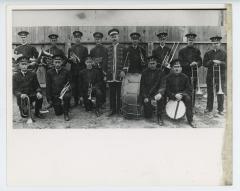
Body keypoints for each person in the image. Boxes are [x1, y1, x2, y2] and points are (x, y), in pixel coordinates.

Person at [165, 59, 196, 128]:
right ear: (172, 68)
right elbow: (166, 90)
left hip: (182, 95)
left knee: (188, 98)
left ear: (181, 68)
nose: (177, 68)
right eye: (175, 67)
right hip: (172, 95)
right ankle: (162, 115)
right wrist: (173, 95)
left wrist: (182, 95)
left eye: (178, 67)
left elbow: (189, 89)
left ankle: (190, 120)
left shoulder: (185, 77)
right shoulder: (168, 77)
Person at [13, 56, 44, 120]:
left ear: (28, 65)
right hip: (22, 97)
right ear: (19, 65)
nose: (24, 66)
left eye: (26, 64)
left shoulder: (32, 74)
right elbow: (14, 89)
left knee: (40, 97)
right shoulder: (15, 76)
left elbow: (37, 86)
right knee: (24, 115)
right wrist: (20, 94)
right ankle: (25, 109)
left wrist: (38, 92)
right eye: (22, 64)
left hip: (31, 94)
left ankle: (37, 112)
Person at [203, 36, 226, 115]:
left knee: (220, 92)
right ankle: (209, 108)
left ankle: (220, 109)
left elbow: (228, 64)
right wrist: (212, 61)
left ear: (220, 43)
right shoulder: (208, 53)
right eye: (214, 43)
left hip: (220, 76)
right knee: (210, 92)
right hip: (210, 76)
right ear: (211, 44)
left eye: (217, 43)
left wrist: (220, 62)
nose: (215, 44)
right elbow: (204, 64)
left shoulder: (224, 53)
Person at [106, 28, 127, 116]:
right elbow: (105, 61)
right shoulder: (108, 49)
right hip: (111, 75)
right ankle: (112, 109)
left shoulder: (123, 48)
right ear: (110, 38)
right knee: (111, 93)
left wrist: (124, 70)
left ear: (118, 37)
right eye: (112, 37)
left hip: (119, 75)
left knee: (119, 93)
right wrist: (105, 73)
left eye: (115, 36)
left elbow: (127, 61)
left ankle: (119, 109)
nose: (114, 38)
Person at [178, 33, 202, 107]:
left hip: (193, 74)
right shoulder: (182, 51)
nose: (190, 41)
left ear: (194, 41)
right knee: (184, 89)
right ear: (187, 41)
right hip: (184, 73)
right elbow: (180, 62)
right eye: (189, 40)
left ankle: (192, 105)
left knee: (193, 90)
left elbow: (200, 61)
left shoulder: (197, 51)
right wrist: (189, 65)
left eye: (192, 40)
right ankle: (184, 105)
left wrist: (196, 63)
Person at [140, 56, 165, 125]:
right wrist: (145, 97)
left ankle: (160, 116)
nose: (152, 65)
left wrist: (160, 93)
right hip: (148, 95)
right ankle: (150, 108)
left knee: (161, 99)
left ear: (156, 63)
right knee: (148, 116)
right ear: (148, 64)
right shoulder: (144, 72)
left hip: (156, 94)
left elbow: (163, 85)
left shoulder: (161, 72)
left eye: (153, 63)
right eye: (150, 63)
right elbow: (142, 86)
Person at [46, 54, 71, 121]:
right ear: (53, 63)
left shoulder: (66, 71)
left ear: (62, 62)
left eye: (59, 62)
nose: (57, 64)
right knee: (58, 113)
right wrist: (49, 99)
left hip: (64, 93)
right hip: (55, 94)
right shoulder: (49, 72)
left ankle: (66, 113)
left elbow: (70, 83)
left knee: (67, 96)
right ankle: (63, 106)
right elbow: (48, 86)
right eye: (56, 62)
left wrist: (68, 88)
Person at [68, 31, 88, 107]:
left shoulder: (84, 48)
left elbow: (86, 59)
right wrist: (71, 60)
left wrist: (80, 60)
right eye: (76, 37)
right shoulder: (71, 48)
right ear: (74, 38)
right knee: (75, 86)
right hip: (73, 70)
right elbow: (68, 60)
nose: (77, 39)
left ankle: (82, 100)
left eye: (78, 37)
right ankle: (76, 101)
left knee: (82, 85)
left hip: (82, 70)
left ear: (80, 38)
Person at [90, 32, 108, 105]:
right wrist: (93, 63)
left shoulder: (105, 49)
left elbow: (106, 60)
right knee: (95, 86)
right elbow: (91, 60)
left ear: (101, 40)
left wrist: (105, 73)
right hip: (95, 71)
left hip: (102, 71)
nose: (97, 40)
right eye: (96, 39)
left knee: (103, 86)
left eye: (99, 39)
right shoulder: (92, 50)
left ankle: (103, 102)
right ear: (94, 39)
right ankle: (96, 101)